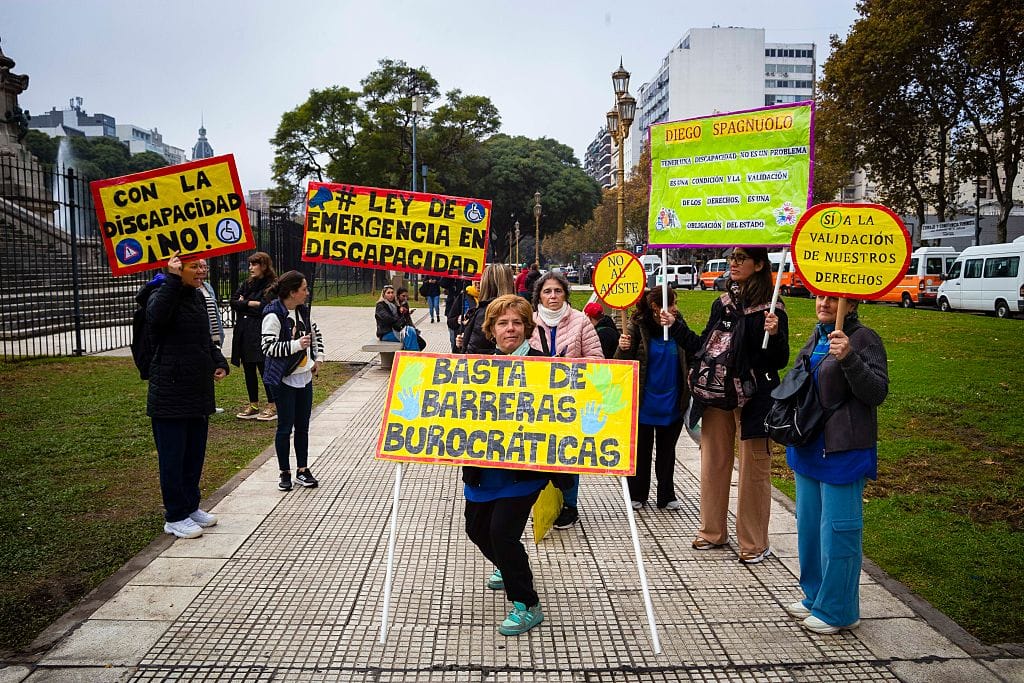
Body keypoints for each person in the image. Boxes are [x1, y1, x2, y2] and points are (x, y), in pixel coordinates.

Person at [463, 294, 572, 636]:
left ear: (527, 328)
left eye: (516, 323)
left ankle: (526, 603)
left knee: (502, 533)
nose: (510, 328)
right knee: (476, 530)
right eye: (502, 323)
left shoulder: (547, 366)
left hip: (523, 473)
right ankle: (508, 567)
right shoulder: (475, 367)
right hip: (484, 471)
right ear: (491, 330)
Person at [784, 296, 888, 634]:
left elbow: (876, 392)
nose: (824, 302)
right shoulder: (817, 335)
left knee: (838, 534)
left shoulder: (864, 339)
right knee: (810, 532)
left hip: (844, 452)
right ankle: (816, 596)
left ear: (852, 303)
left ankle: (840, 609)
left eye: (833, 298)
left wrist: (850, 359)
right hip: (810, 449)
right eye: (820, 295)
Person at [688, 247, 789, 564]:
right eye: (732, 257)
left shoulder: (771, 309)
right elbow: (704, 344)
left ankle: (753, 542)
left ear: (759, 265)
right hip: (718, 393)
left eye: (741, 258)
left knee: (753, 468)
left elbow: (778, 360)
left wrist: (774, 334)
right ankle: (711, 532)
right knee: (713, 462)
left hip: (755, 396)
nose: (733, 263)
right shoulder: (722, 303)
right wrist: (676, 326)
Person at [147, 253, 229, 538]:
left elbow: (203, 337)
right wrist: (170, 279)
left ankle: (191, 506)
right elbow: (156, 320)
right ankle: (175, 515)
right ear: (176, 269)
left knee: (194, 454)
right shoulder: (159, 292)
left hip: (196, 390)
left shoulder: (197, 296)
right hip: (170, 392)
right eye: (195, 266)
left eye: (204, 265)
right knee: (173, 457)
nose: (202, 271)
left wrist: (218, 360)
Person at [528, 270, 603, 529]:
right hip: (537, 403)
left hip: (570, 402)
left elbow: (597, 359)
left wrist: (568, 367)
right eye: (547, 291)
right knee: (538, 452)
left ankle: (570, 505)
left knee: (569, 454)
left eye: (558, 291)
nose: (552, 296)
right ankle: (539, 502)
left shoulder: (581, 322)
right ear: (539, 294)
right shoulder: (529, 322)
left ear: (565, 294)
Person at [614, 286, 689, 510]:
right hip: (644, 401)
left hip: (672, 401)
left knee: (667, 453)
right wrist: (622, 348)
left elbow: (692, 352)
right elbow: (621, 365)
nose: (675, 309)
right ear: (656, 307)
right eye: (672, 304)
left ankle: (666, 495)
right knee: (641, 451)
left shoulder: (679, 326)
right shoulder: (637, 327)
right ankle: (637, 493)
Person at [261, 271, 325, 493]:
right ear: (292, 292)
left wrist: (318, 358)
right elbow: (268, 348)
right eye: (304, 289)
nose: (307, 293)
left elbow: (316, 336)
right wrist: (296, 345)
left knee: (303, 427)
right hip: (283, 379)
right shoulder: (273, 315)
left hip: (304, 378)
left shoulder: (303, 312)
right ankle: (284, 472)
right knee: (284, 427)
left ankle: (302, 469)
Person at [231, 252, 277, 421]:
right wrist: (250, 303)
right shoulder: (247, 283)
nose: (250, 268)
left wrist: (245, 303)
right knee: (248, 369)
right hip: (244, 331)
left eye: (254, 264)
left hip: (260, 331)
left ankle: (273, 404)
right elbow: (233, 301)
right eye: (250, 264)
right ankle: (254, 404)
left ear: (263, 265)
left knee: (264, 368)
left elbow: (266, 306)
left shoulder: (272, 284)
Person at [457, 264, 516, 354]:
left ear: (486, 284)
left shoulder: (484, 313)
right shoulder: (520, 309)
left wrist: (465, 345)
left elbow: (476, 350)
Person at [195, 259, 225, 414]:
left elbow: (214, 309)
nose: (203, 269)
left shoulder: (207, 287)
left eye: (205, 266)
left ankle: (211, 402)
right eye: (199, 266)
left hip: (215, 332)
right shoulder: (193, 290)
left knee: (212, 366)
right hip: (203, 333)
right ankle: (205, 403)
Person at [375, 285, 419, 350]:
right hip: (386, 333)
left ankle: (411, 354)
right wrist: (400, 320)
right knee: (409, 332)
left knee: (411, 331)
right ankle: (412, 355)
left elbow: (402, 319)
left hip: (396, 331)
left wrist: (402, 312)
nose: (391, 295)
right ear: (384, 295)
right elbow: (388, 318)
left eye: (392, 292)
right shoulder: (380, 305)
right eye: (388, 293)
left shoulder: (395, 305)